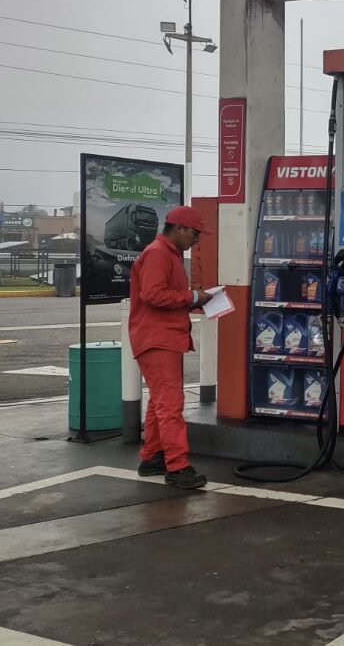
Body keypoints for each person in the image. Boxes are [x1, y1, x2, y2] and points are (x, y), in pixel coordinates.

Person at [130, 205, 212, 490]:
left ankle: (152, 457)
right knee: (170, 404)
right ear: (179, 228)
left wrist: (193, 299)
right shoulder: (158, 254)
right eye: (195, 233)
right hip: (157, 338)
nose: (196, 240)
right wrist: (192, 297)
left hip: (162, 338)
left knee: (159, 402)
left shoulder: (168, 253)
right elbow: (153, 294)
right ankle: (178, 467)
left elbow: (162, 295)